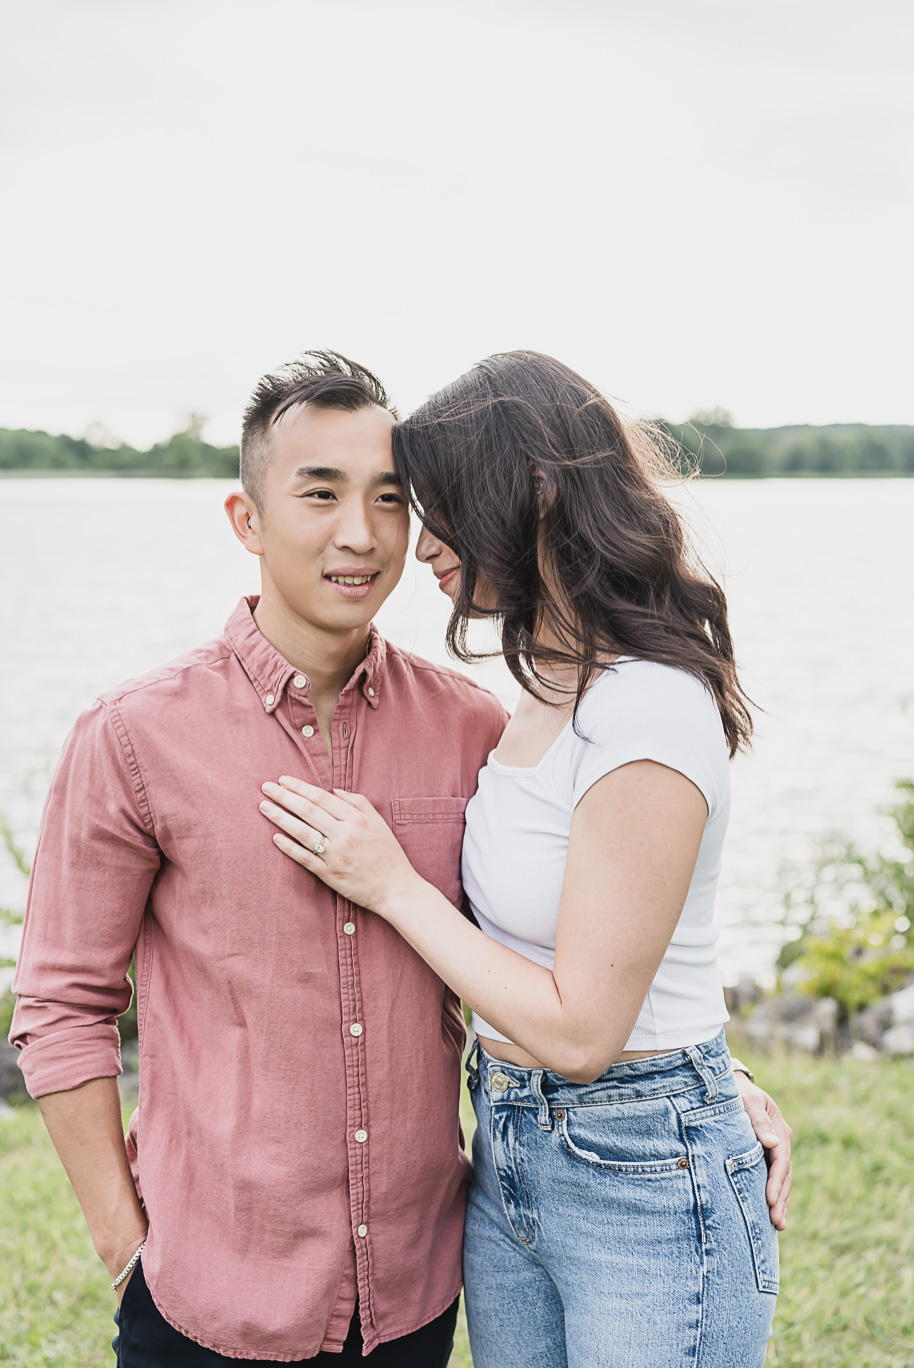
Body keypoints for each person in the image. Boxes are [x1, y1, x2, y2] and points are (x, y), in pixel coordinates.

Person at [10, 350, 788, 1367]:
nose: (368, 535)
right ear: (246, 520)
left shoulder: (477, 727)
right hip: (211, 1291)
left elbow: (565, 938)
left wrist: (703, 1081)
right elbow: (60, 1006)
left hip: (418, 1288)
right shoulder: (131, 738)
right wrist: (126, 1249)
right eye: (320, 493)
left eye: (393, 497)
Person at [258, 351, 786, 1368]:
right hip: (509, 1148)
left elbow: (585, 1032)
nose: (419, 549)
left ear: (532, 493)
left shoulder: (646, 707)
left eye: (438, 505)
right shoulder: (546, 688)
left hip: (640, 1172)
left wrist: (390, 887)